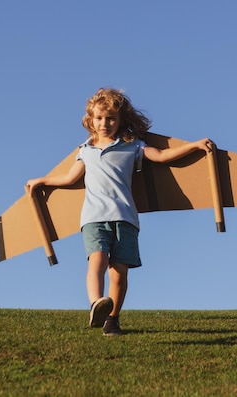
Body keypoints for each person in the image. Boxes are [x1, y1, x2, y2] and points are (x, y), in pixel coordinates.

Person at [27, 88, 212, 336]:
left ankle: (112, 320)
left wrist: (195, 145)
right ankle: (96, 304)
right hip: (94, 217)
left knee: (119, 272)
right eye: (100, 118)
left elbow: (163, 156)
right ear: (91, 120)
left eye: (111, 119)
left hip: (125, 217)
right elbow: (70, 179)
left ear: (120, 120)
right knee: (98, 260)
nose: (105, 123)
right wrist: (42, 181)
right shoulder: (85, 150)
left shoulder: (132, 147)